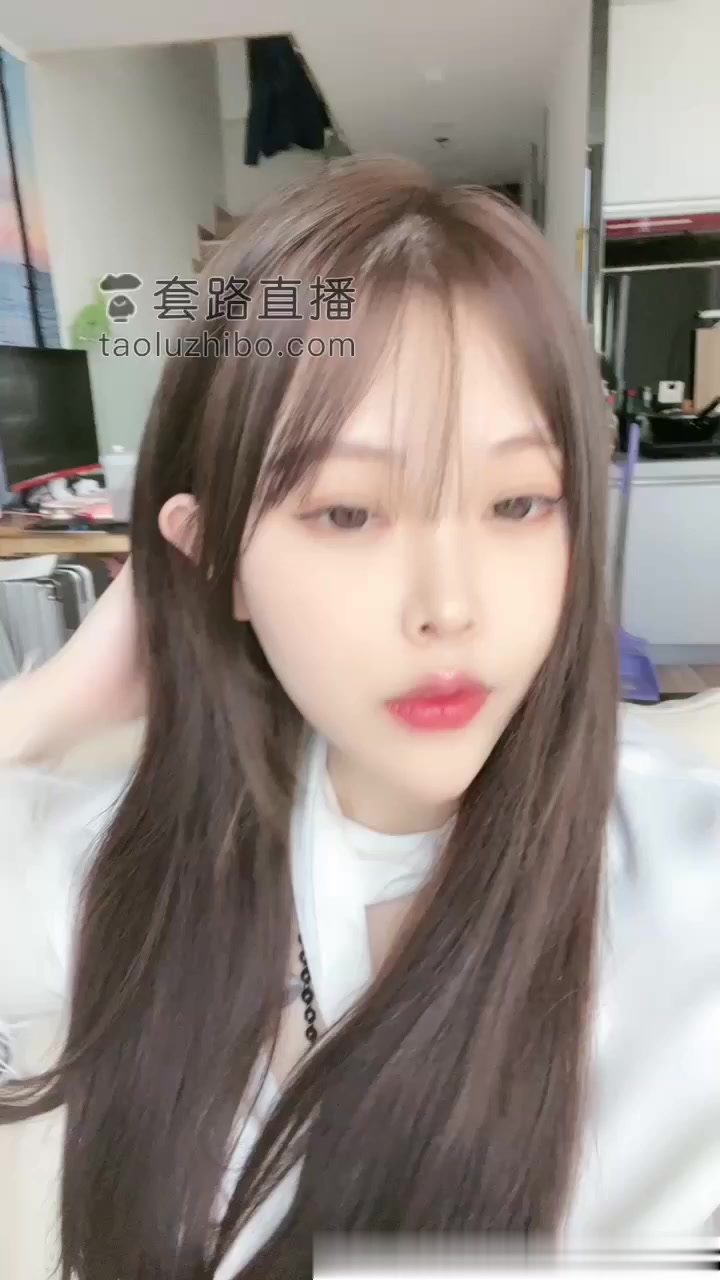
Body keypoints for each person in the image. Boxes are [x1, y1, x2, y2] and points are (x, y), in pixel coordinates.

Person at [0, 157, 718, 1280]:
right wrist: (43, 707)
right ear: (213, 555)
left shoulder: (687, 882)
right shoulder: (130, 872)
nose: (450, 607)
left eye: (518, 502)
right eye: (347, 512)